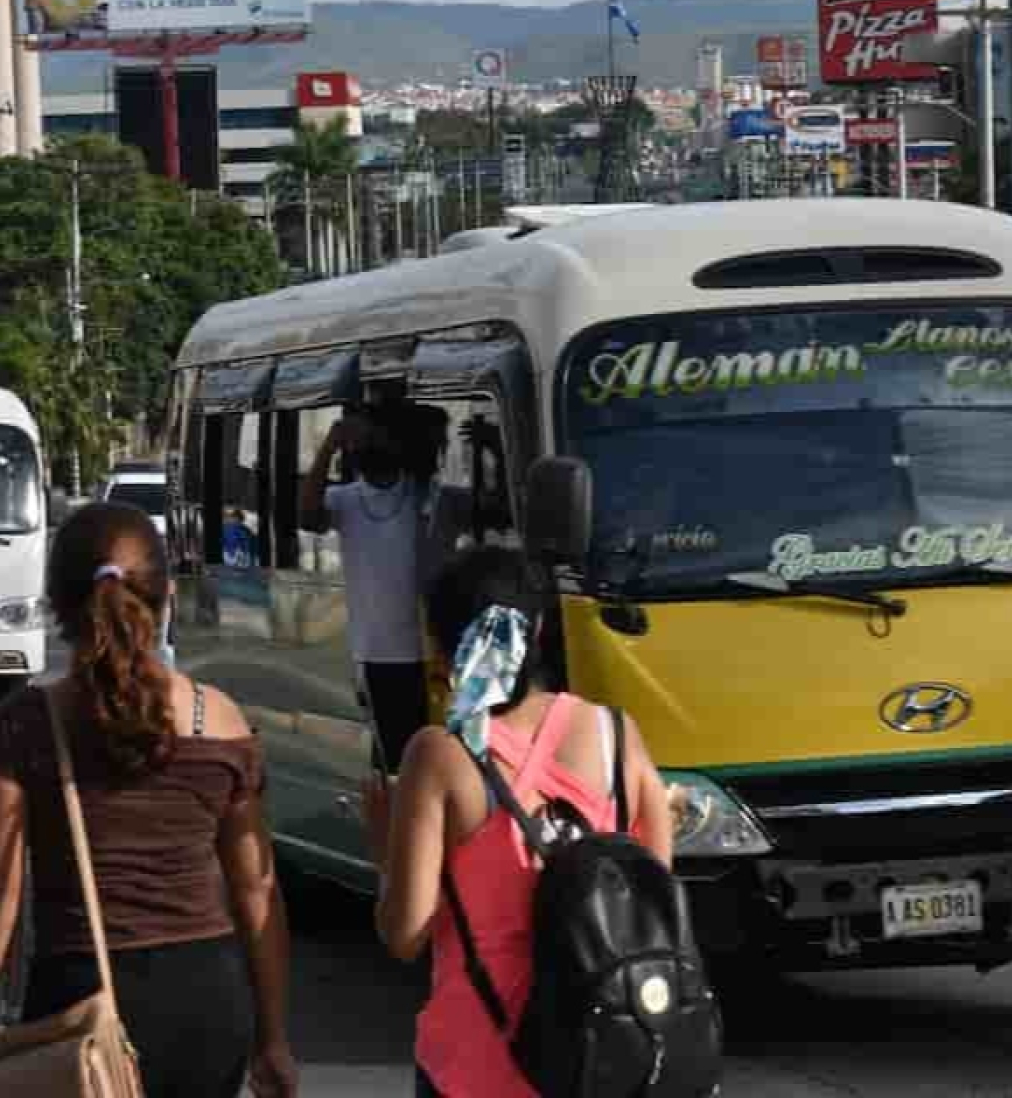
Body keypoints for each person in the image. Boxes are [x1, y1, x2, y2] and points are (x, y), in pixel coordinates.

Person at [0, 501, 297, 1097]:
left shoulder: (28, 723)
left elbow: (2, 896)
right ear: (166, 599)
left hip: (79, 1004)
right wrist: (273, 1038)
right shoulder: (219, 720)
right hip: (206, 1004)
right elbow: (255, 891)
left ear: (58, 604)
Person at [362, 547, 674, 1098]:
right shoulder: (617, 735)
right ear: (541, 630)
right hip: (602, 1055)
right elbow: (652, 893)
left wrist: (385, 853)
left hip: (478, 1060)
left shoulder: (439, 755)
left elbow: (405, 935)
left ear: (441, 644)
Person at [300, 409, 427, 774]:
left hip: (431, 652)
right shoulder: (346, 498)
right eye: (358, 441)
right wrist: (327, 448)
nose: (364, 446)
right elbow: (308, 516)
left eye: (372, 437)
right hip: (376, 654)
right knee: (390, 761)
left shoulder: (424, 494)